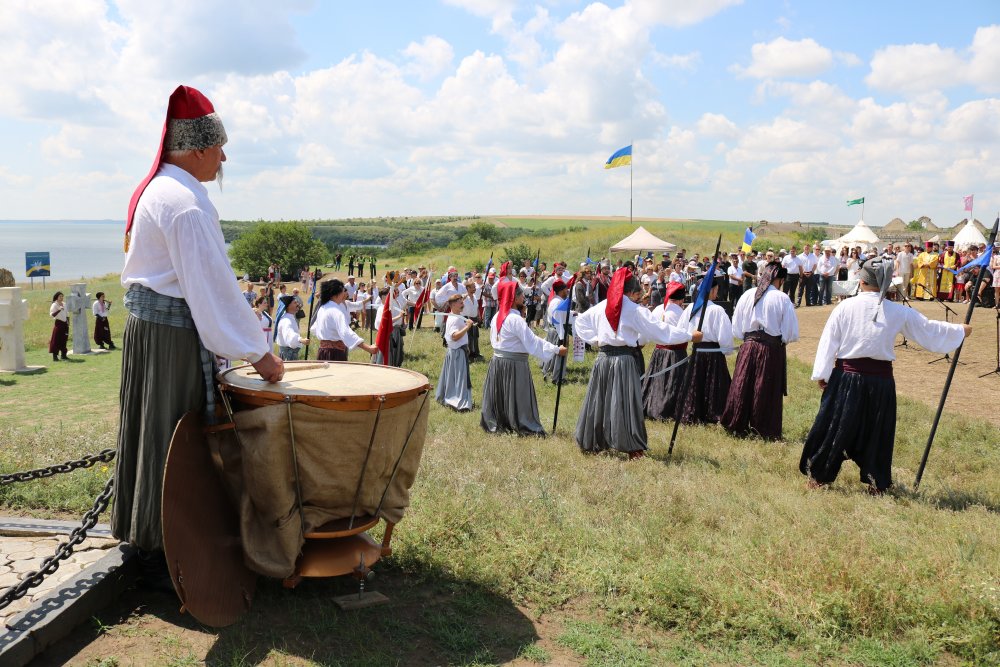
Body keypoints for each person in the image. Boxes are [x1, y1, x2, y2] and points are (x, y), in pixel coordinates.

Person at [115, 85, 284, 591]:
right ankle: (163, 555)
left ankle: (145, 542)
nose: (224, 157)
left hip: (154, 334)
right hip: (171, 341)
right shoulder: (185, 205)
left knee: (152, 438)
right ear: (196, 149)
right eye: (219, 148)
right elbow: (214, 290)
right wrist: (262, 355)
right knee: (176, 445)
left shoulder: (164, 191)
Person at [800, 257, 970, 493]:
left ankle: (819, 476)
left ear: (861, 281)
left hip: (848, 379)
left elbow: (829, 342)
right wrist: (959, 331)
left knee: (835, 426)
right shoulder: (897, 311)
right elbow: (928, 329)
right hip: (876, 381)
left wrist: (823, 374)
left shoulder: (845, 307)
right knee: (876, 431)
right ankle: (874, 482)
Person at [573, 268, 697, 458]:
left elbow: (580, 322)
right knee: (625, 402)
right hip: (623, 360)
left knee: (601, 400)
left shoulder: (602, 306)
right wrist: (689, 335)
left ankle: (595, 441)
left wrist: (596, 340)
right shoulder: (633, 310)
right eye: (637, 294)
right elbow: (660, 330)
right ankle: (632, 447)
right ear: (630, 292)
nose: (638, 298)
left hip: (603, 360)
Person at [721, 261, 799, 440]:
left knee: (743, 384)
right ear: (778, 279)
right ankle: (763, 428)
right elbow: (790, 332)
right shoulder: (782, 298)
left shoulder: (747, 294)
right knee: (764, 387)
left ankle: (737, 423)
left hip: (748, 346)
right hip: (770, 349)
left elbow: (737, 327)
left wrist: (748, 339)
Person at [481, 281, 566, 436]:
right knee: (519, 396)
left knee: (503, 395)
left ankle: (504, 419)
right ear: (514, 298)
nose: (523, 296)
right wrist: (555, 349)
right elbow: (532, 342)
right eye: (520, 294)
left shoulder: (497, 317)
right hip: (514, 364)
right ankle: (524, 424)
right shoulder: (515, 319)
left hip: (498, 361)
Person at [676, 274, 733, 425]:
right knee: (713, 384)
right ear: (712, 290)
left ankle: (696, 412)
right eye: (716, 290)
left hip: (697, 352)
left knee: (696, 382)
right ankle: (713, 413)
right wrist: (727, 350)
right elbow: (725, 337)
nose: (717, 293)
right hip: (712, 355)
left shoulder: (690, 308)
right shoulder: (717, 311)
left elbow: (680, 331)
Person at [641, 281, 689, 421]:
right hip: (676, 353)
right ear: (681, 299)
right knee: (672, 383)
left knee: (658, 381)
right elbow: (685, 333)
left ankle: (651, 406)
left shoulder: (657, 309)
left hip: (659, 352)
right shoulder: (681, 312)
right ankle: (667, 409)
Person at [311, 279, 378, 361]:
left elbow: (315, 328)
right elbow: (346, 332)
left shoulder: (323, 308)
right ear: (336, 294)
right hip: (334, 354)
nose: (345, 294)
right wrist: (368, 348)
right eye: (343, 291)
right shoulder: (336, 311)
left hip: (323, 351)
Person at [436, 293, 475, 411]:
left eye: (462, 302)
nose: (462, 304)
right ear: (453, 305)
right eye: (460, 302)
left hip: (456, 352)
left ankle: (450, 397)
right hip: (457, 353)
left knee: (453, 377)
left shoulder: (457, 316)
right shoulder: (453, 319)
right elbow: (454, 336)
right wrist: (467, 327)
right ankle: (458, 400)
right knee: (459, 378)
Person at [541, 279, 570, 384]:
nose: (567, 291)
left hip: (552, 330)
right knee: (559, 354)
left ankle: (548, 372)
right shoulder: (559, 302)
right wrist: (562, 336)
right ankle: (557, 378)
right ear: (562, 290)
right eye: (566, 289)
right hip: (558, 330)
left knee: (551, 352)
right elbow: (559, 319)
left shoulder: (554, 300)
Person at [275, 295, 309, 361]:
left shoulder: (290, 317)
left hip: (289, 354)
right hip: (288, 355)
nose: (298, 304)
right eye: (295, 303)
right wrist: (301, 339)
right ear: (288, 306)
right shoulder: (286, 320)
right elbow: (289, 334)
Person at [461, 281, 483, 361]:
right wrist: (463, 298)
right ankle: (469, 354)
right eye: (473, 287)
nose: (475, 288)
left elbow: (476, 308)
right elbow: (459, 302)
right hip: (467, 319)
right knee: (469, 337)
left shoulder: (474, 297)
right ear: (468, 288)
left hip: (475, 319)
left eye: (475, 287)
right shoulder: (464, 297)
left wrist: (479, 316)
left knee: (475, 336)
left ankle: (476, 353)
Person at [49, 291, 69, 361]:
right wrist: (59, 310)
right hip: (58, 323)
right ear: (56, 297)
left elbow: (67, 314)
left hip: (64, 324)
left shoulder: (64, 304)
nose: (61, 298)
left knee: (64, 339)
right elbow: (52, 315)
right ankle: (55, 356)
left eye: (62, 296)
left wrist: (68, 323)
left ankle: (63, 355)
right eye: (60, 296)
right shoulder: (54, 305)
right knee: (56, 340)